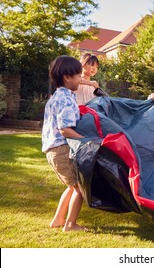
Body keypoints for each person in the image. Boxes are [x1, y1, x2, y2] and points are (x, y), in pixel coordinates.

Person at [42, 55, 86, 232]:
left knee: (72, 185)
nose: (80, 80)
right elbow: (65, 129)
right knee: (80, 188)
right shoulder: (66, 99)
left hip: (52, 150)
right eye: (78, 76)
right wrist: (88, 141)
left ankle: (58, 220)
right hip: (61, 149)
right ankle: (70, 224)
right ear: (67, 77)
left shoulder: (56, 97)